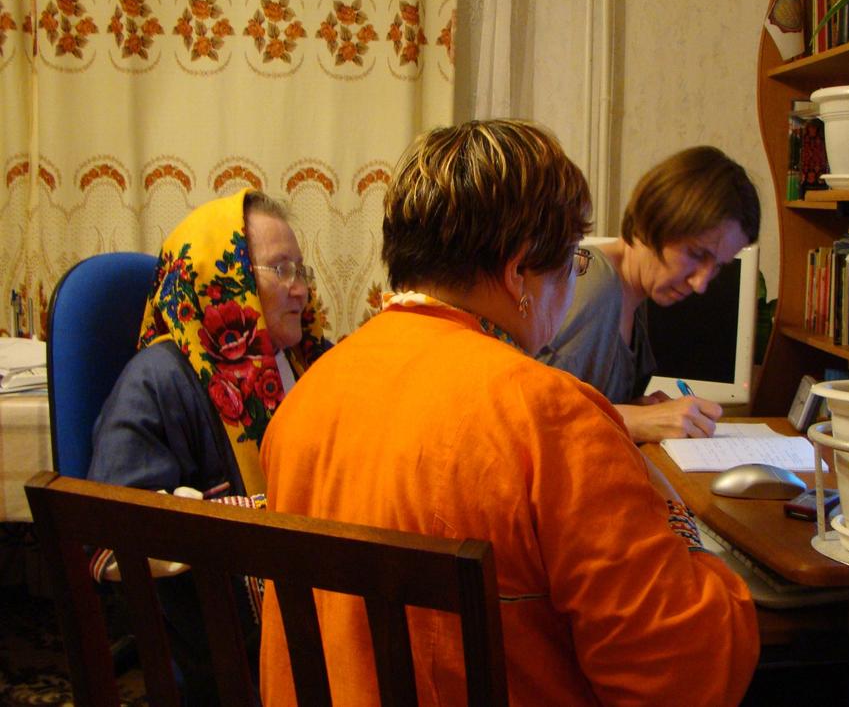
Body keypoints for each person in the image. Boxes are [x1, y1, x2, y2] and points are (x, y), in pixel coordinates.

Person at [258, 120, 759, 707]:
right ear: (519, 271)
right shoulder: (549, 415)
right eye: (572, 259)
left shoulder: (308, 397)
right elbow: (683, 677)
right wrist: (684, 531)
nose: (574, 280)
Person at [87, 188, 332, 703]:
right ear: (223, 281)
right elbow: (109, 536)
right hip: (227, 649)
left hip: (318, 610)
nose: (301, 291)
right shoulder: (156, 379)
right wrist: (242, 515)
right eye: (280, 270)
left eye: (301, 270)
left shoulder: (310, 360)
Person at [538, 146, 761, 443]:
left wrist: (635, 410)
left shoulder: (636, 297)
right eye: (695, 254)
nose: (701, 284)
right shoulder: (593, 286)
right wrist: (632, 419)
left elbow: (585, 403)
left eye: (717, 266)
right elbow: (535, 416)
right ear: (649, 221)